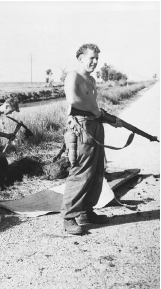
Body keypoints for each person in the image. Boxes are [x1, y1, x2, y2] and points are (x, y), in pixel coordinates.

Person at [61, 44, 122, 235]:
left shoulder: (92, 79)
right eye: (91, 58)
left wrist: (108, 118)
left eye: (97, 59)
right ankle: (69, 217)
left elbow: (93, 105)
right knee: (81, 171)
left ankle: (86, 212)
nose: (95, 62)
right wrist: (95, 111)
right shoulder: (73, 76)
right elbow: (72, 100)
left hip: (95, 126)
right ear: (80, 58)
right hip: (81, 128)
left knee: (96, 171)